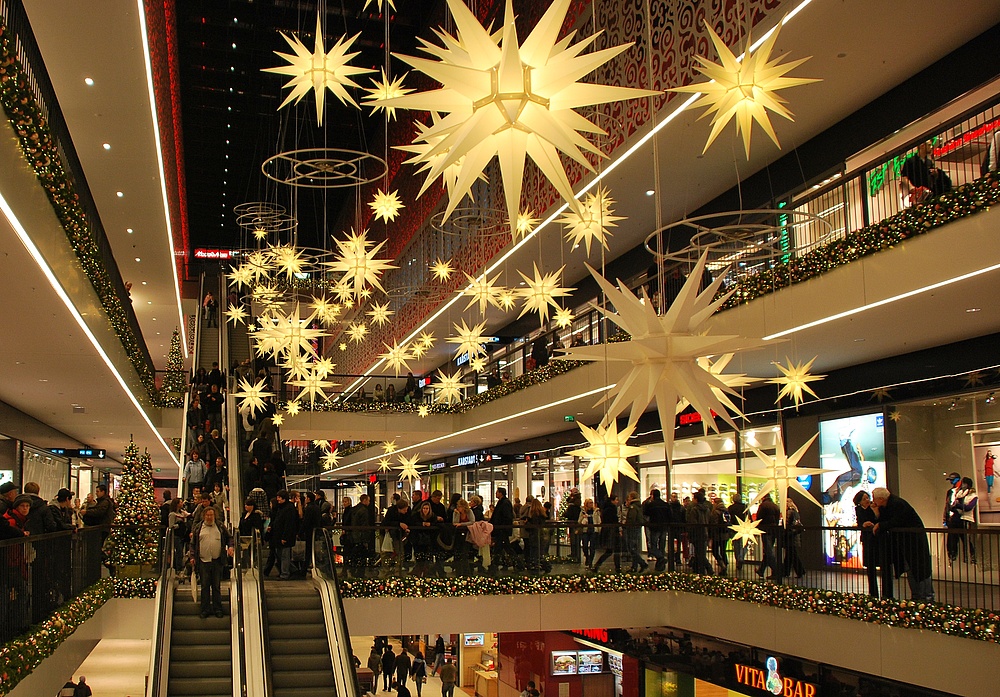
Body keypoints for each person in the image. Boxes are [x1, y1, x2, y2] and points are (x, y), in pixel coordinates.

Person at [872, 487, 934, 601]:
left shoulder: (897, 504)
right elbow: (886, 520)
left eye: (874, 498)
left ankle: (926, 596)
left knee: (919, 569)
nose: (873, 501)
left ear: (881, 498)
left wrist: (880, 525)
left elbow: (895, 521)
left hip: (914, 541)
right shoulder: (889, 505)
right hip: (906, 542)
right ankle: (917, 596)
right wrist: (877, 514)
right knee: (910, 569)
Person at [190, 506, 233, 618]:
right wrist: (192, 556)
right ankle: (205, 609)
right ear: (204, 516)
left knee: (216, 586)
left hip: (217, 561)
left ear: (215, 516)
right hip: (203, 561)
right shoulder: (199, 528)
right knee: (204, 586)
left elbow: (229, 537)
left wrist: (231, 547)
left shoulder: (220, 527)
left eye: (211, 515)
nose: (209, 517)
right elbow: (193, 544)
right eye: (208, 515)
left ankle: (217, 609)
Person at [854, 490, 891, 598]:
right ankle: (873, 593)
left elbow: (879, 519)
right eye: (864, 499)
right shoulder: (859, 510)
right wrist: (863, 524)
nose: (867, 500)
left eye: (868, 498)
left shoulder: (875, 507)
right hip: (867, 540)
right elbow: (860, 522)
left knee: (883, 564)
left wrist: (875, 512)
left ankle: (886, 594)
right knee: (870, 567)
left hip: (878, 539)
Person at [900, 139, 951, 205]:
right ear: (922, 146)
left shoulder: (929, 162)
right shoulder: (910, 161)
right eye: (929, 145)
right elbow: (904, 176)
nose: (931, 147)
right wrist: (912, 187)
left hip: (929, 192)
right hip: (918, 194)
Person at [947, 477, 978, 565]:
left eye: (964, 483)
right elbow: (952, 506)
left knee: (966, 540)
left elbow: (968, 508)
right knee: (953, 539)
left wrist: (958, 506)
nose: (963, 485)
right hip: (956, 519)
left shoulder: (973, 496)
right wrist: (956, 507)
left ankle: (971, 557)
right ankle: (953, 557)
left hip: (966, 519)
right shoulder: (958, 494)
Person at [271, 490, 299, 580]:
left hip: (285, 537)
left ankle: (285, 574)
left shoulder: (289, 509)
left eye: (279, 497)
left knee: (284, 556)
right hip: (279, 536)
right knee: (281, 555)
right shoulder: (282, 507)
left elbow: (289, 524)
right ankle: (293, 570)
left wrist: (285, 537)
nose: (277, 499)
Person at [592, 494, 622, 573]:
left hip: (608, 531)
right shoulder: (611, 509)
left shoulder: (605, 508)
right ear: (612, 500)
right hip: (611, 531)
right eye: (616, 500)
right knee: (614, 550)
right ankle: (617, 568)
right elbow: (613, 520)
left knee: (610, 551)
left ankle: (597, 565)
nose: (617, 501)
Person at [755, 493, 781, 580]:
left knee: (768, 551)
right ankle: (761, 570)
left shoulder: (763, 506)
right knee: (768, 551)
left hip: (765, 529)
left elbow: (759, 518)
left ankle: (776, 571)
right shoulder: (775, 506)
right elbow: (777, 519)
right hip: (773, 530)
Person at [489, 487, 516, 571]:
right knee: (501, 547)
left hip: (502, 529)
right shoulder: (502, 502)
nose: (496, 494)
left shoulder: (505, 503)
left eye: (497, 492)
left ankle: (516, 562)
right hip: (500, 529)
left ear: (501, 493)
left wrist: (501, 526)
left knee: (503, 547)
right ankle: (499, 564)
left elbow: (506, 517)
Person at [623, 491, 648, 572]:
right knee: (634, 548)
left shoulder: (633, 507)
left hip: (632, 529)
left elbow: (631, 518)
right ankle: (634, 566)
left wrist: (626, 524)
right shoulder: (639, 506)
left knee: (631, 548)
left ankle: (642, 563)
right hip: (637, 528)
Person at [783, 499, 805, 578]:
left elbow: (787, 524)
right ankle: (787, 571)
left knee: (791, 555)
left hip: (790, 536)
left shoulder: (789, 512)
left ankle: (799, 571)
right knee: (790, 555)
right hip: (794, 536)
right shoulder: (796, 512)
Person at [727, 494, 749, 571]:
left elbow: (728, 519)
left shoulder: (730, 508)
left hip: (734, 528)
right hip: (744, 528)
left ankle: (738, 560)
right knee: (744, 545)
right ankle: (741, 557)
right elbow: (748, 517)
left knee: (736, 546)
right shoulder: (745, 507)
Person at [578, 498, 601, 569]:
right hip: (585, 530)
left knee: (592, 547)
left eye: (592, 502)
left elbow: (598, 520)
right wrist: (583, 518)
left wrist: (599, 529)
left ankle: (590, 561)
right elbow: (579, 521)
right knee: (585, 546)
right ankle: (587, 557)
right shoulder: (583, 512)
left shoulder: (596, 511)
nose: (591, 504)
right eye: (590, 503)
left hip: (593, 530)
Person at [562, 491, 582, 564]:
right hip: (577, 523)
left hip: (572, 523)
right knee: (577, 539)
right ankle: (577, 553)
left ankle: (574, 553)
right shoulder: (578, 506)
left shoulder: (571, 506)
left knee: (573, 539)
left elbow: (567, 514)